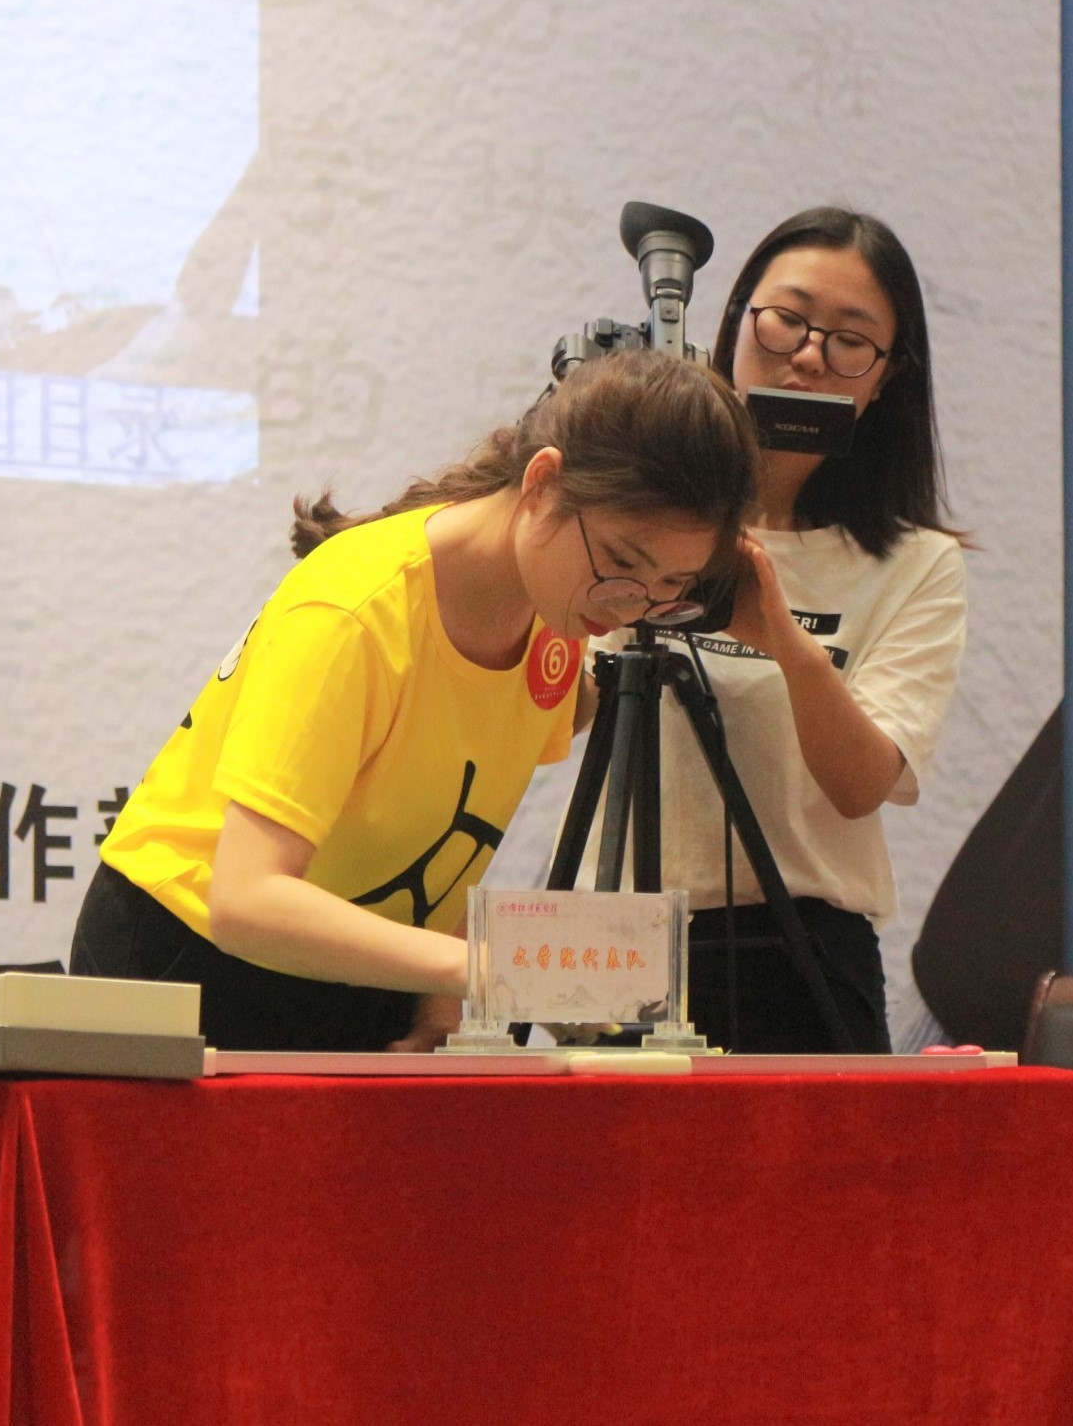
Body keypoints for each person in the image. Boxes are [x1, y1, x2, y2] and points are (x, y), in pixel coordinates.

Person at [71, 349, 761, 1051]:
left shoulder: (557, 618)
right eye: (622, 562)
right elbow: (245, 900)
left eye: (672, 587)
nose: (629, 607)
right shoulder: (354, 613)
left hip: (357, 965)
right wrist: (492, 969)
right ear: (542, 483)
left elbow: (444, 833)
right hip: (184, 960)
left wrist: (438, 1003)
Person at [651, 206, 968, 1054]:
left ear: (884, 379)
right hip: (626, 938)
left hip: (803, 953)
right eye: (785, 319)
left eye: (849, 340)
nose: (807, 355)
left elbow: (858, 785)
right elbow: (563, 709)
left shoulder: (915, 564)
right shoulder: (644, 518)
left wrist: (784, 643)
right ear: (734, 321)